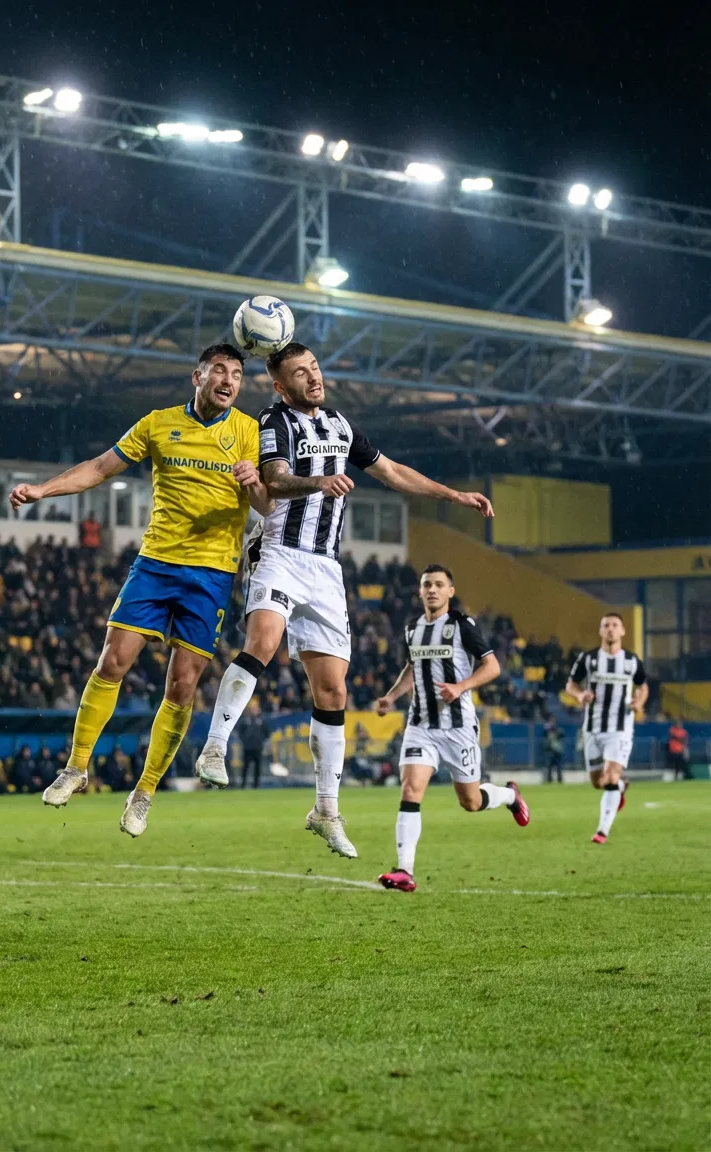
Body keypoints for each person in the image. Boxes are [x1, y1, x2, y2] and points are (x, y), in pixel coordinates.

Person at [195, 342, 494, 858]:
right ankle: (215, 747)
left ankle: (326, 810)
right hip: (280, 550)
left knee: (333, 692)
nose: (312, 378)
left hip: (326, 568)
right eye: (299, 373)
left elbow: (393, 472)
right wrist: (320, 481)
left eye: (313, 368)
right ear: (280, 384)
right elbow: (274, 481)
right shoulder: (274, 420)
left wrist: (453, 496)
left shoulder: (339, 424)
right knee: (264, 641)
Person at [9, 344, 274, 837]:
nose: (229, 380)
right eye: (220, 370)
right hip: (155, 563)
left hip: (212, 574)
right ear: (197, 375)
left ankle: (144, 792)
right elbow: (100, 467)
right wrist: (43, 489)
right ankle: (76, 767)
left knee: (182, 685)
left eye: (237, 374)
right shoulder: (157, 423)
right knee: (112, 661)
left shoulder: (249, 433)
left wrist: (254, 481)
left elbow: (267, 504)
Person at [373, 565, 529, 892]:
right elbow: (411, 667)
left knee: (470, 802)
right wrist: (391, 696)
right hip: (421, 724)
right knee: (410, 789)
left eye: (439, 585)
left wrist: (461, 686)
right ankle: (405, 870)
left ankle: (509, 796)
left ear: (450, 592)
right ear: (420, 592)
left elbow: (493, 666)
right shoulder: (412, 628)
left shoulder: (461, 625)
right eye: (427, 584)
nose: (432, 589)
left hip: (458, 727)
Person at [565, 614, 648, 845]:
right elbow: (571, 684)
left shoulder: (632, 660)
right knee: (598, 782)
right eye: (606, 626)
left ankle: (602, 831)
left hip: (620, 728)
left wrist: (639, 703)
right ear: (600, 631)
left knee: (610, 776)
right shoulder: (588, 658)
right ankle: (619, 787)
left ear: (622, 631)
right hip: (592, 728)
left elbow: (643, 687)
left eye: (614, 625)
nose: (610, 629)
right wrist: (580, 695)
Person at [237, 702, 269, 789]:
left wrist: (261, 741)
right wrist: (244, 741)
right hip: (247, 747)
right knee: (245, 767)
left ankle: (256, 785)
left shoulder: (261, 721)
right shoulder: (245, 721)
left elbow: (267, 733)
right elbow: (240, 732)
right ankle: (243, 784)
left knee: (257, 767)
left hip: (258, 747)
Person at [544, 718, 564, 783]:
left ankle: (559, 780)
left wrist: (555, 732)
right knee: (549, 767)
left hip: (557, 751)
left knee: (559, 767)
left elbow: (562, 734)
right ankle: (549, 780)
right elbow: (547, 742)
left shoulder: (558, 731)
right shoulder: (548, 732)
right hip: (551, 751)